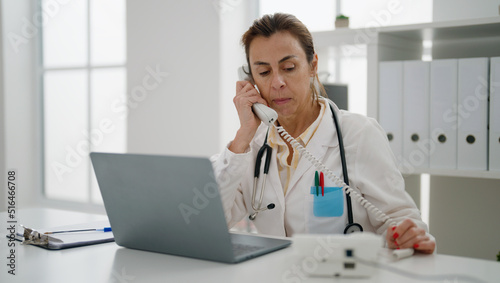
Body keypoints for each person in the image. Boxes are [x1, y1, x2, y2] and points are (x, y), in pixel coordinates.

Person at [211, 13, 435, 254]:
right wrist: (243, 134)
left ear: (313, 66)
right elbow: (209, 221)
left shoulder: (359, 135)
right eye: (264, 72)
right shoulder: (251, 146)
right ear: (250, 80)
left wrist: (406, 236)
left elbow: (400, 220)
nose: (277, 82)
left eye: (289, 67)